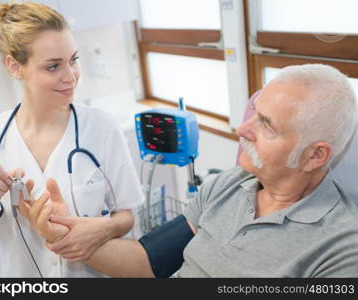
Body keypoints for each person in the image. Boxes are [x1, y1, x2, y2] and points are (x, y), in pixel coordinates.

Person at [29, 63, 358, 277]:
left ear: (315, 155)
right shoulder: (226, 186)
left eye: (267, 126)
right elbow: (146, 262)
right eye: (254, 113)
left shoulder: (342, 248)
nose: (242, 129)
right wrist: (65, 235)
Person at [0, 2, 143, 277]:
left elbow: (126, 216)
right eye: (53, 67)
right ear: (15, 67)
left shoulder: (103, 127)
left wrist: (105, 228)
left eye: (73, 60)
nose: (71, 77)